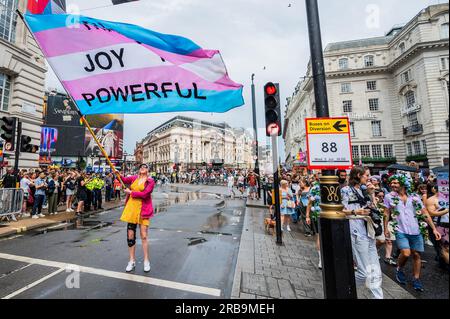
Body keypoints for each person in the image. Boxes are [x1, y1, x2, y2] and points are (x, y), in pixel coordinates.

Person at [384, 175, 441, 292]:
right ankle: (399, 269)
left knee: (416, 255)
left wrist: (434, 229)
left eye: (396, 183)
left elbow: (424, 212)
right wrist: (385, 228)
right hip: (400, 230)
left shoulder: (414, 197)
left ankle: (416, 279)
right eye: (392, 183)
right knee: (405, 253)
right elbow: (386, 213)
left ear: (403, 184)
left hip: (416, 230)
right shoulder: (389, 197)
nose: (392, 185)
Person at [341, 166, 384, 299]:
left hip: (369, 231)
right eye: (366, 175)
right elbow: (339, 211)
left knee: (375, 272)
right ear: (358, 175)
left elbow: (373, 210)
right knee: (364, 272)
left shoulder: (365, 190)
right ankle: (343, 285)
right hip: (356, 231)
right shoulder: (346, 190)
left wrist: (372, 194)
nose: (368, 178)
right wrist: (355, 212)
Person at [120, 164, 155, 273]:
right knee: (130, 236)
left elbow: (145, 194)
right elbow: (124, 179)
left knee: (144, 236)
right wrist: (118, 174)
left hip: (143, 210)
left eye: (145, 166)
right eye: (141, 166)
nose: (143, 167)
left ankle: (146, 261)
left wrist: (131, 192)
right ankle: (132, 260)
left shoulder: (150, 181)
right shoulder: (134, 178)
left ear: (148, 170)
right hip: (131, 209)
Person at [425, 183, 449, 268]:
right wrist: (446, 211)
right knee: (445, 247)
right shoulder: (431, 200)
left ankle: (442, 261)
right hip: (440, 226)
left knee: (443, 249)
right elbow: (431, 213)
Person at [306, 179, 322, 268]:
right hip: (317, 215)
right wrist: (307, 215)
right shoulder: (315, 188)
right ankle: (321, 259)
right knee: (319, 236)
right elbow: (309, 203)